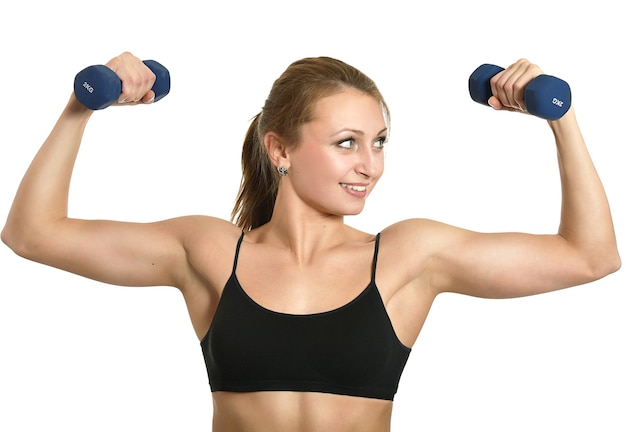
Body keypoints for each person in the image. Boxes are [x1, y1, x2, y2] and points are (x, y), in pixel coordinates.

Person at [1, 51, 620, 432]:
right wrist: (81, 108)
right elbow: (32, 234)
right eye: (347, 142)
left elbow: (590, 257)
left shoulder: (408, 257)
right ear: (280, 150)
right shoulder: (211, 252)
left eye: (380, 143)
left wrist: (559, 118)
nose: (369, 166)